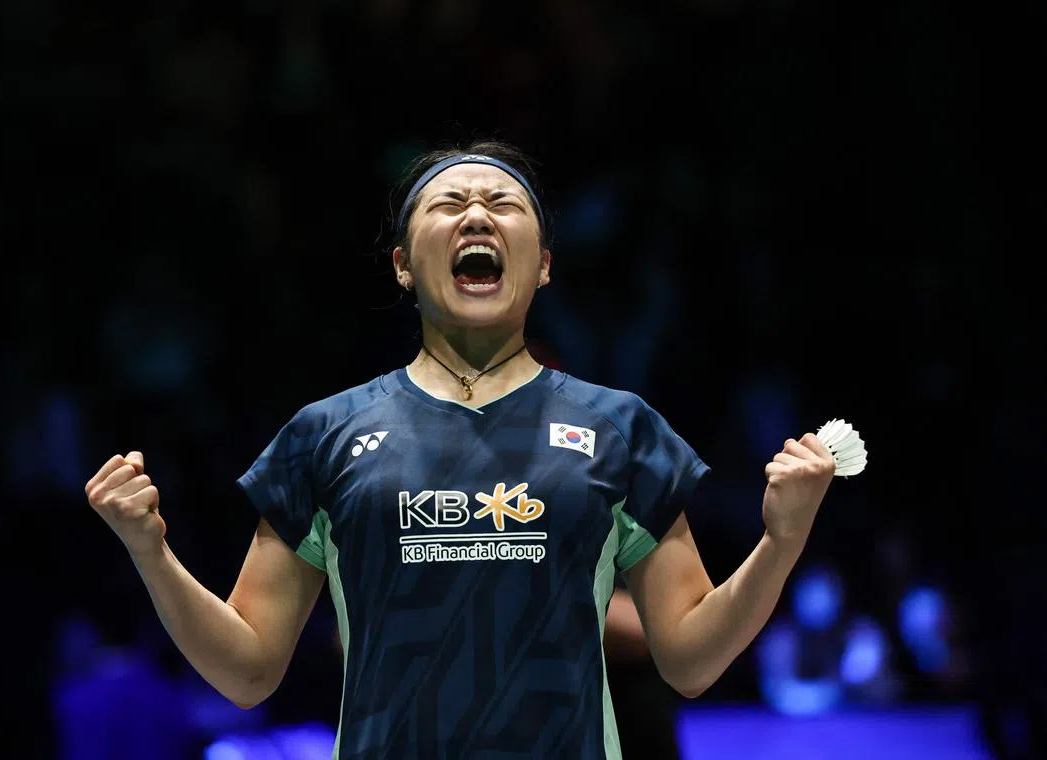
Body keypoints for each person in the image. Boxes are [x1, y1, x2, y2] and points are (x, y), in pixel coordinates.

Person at [84, 139, 842, 759]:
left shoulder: (622, 429)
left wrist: (782, 539)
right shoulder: (324, 435)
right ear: (404, 268)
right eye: (449, 204)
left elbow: (690, 659)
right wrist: (151, 551)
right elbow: (247, 670)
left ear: (542, 265)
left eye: (503, 204)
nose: (477, 212)